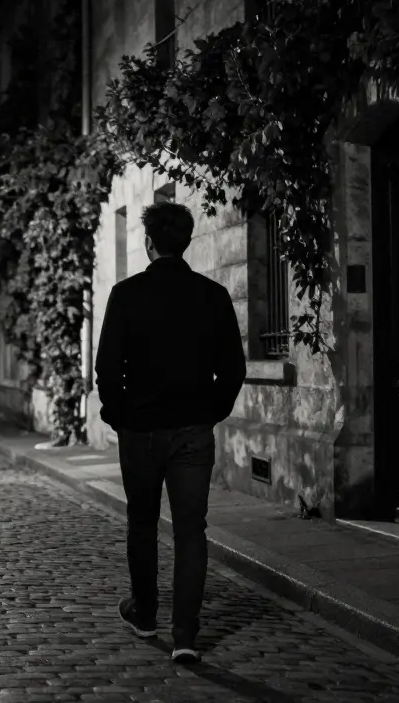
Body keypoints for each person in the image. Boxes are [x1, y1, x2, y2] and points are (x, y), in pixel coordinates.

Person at [94, 201, 247, 665]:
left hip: (140, 430)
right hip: (192, 430)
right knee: (190, 531)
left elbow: (106, 367)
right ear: (187, 241)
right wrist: (210, 412)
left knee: (142, 522)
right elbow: (234, 369)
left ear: (149, 243)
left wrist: (120, 414)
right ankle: (185, 634)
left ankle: (144, 614)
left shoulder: (125, 294)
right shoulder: (213, 295)